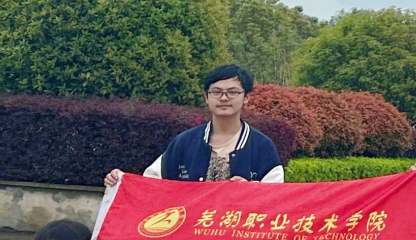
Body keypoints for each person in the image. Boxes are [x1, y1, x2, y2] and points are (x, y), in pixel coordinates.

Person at [104, 64, 283, 187]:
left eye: (232, 92)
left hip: (237, 229)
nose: (224, 98)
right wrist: (121, 181)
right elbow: (151, 183)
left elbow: (276, 198)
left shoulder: (262, 146)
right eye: (216, 92)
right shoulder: (185, 142)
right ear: (206, 97)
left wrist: (250, 191)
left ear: (246, 97)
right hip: (189, 229)